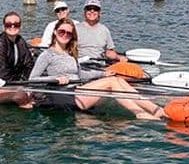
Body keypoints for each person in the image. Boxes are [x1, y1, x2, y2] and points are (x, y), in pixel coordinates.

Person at [29, 19, 165, 120]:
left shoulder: (70, 53)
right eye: (61, 31)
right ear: (55, 32)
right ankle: (139, 113)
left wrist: (102, 73)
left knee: (117, 80)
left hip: (76, 90)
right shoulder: (47, 54)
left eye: (69, 33)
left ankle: (155, 109)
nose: (65, 35)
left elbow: (80, 73)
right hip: (64, 96)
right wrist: (55, 79)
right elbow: (32, 79)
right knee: (111, 82)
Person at [0, 11, 35, 108]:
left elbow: (29, 64)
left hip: (14, 83)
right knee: (21, 96)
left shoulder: (20, 41)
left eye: (16, 24)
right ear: (3, 27)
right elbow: (3, 74)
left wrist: (24, 81)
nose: (12, 27)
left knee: (36, 95)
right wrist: (21, 88)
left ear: (20, 27)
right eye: (9, 24)